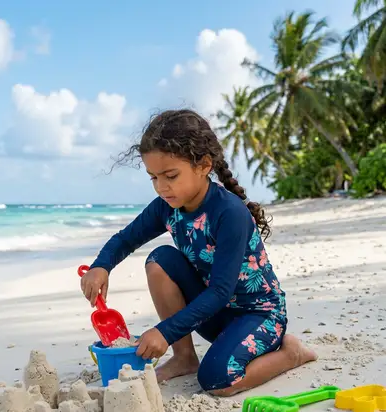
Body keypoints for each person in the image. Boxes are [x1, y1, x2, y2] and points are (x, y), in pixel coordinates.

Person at [80, 109, 317, 396]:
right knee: (160, 259)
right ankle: (184, 358)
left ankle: (290, 354)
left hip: (258, 316)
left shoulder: (229, 213)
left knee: (217, 380)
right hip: (214, 315)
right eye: (153, 178)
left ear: (204, 165)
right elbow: (125, 239)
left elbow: (220, 291)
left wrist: (165, 332)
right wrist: (101, 266)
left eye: (170, 176)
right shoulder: (166, 206)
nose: (161, 187)